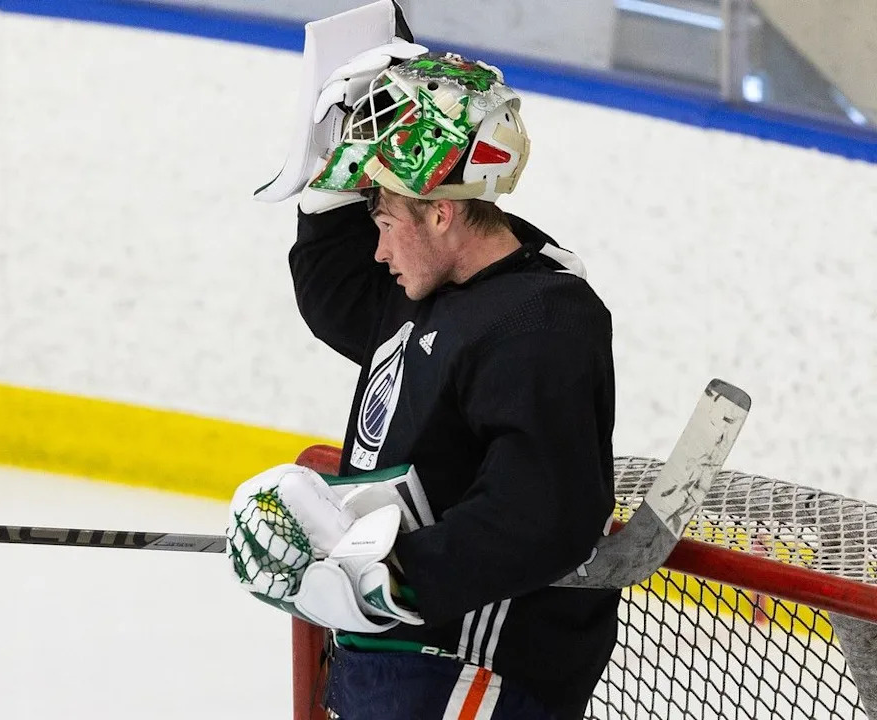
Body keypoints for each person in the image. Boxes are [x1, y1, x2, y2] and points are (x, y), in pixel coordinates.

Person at [228, 44, 619, 720]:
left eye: (382, 220)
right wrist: (326, 188)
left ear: (441, 212)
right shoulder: (432, 289)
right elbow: (338, 295)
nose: (376, 249)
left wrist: (392, 579)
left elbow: (544, 512)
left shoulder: (538, 320)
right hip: (401, 663)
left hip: (473, 670)